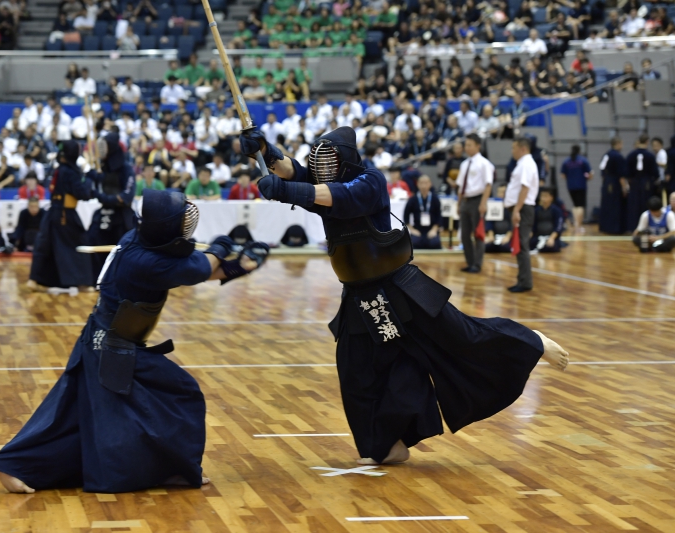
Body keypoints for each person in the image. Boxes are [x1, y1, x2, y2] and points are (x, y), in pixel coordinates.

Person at [238, 125, 569, 467]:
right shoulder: (327, 183)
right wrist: (266, 152)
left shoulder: (369, 181)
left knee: (462, 335)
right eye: (319, 164)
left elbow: (338, 196)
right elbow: (297, 175)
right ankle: (386, 443)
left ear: (346, 161)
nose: (321, 169)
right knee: (355, 370)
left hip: (399, 285)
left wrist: (284, 191)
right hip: (358, 295)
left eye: (329, 161)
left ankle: (531, 341)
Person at [0, 190, 270, 493]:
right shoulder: (144, 260)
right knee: (178, 394)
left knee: (79, 414)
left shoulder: (139, 238)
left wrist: (241, 266)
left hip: (111, 340)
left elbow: (193, 270)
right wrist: (222, 245)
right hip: (111, 345)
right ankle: (14, 464)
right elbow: (199, 268)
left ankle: (168, 468)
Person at [28, 141, 95, 291]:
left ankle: (36, 281)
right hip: (66, 214)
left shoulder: (60, 169)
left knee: (47, 245)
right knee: (80, 245)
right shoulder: (70, 172)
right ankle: (82, 283)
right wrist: (90, 177)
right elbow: (82, 193)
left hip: (54, 212)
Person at [87, 133, 136, 280]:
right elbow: (90, 188)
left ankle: (123, 280)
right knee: (92, 239)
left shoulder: (126, 169)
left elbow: (126, 197)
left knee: (124, 248)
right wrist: (90, 176)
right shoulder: (102, 169)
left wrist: (101, 196)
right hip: (103, 215)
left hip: (121, 216)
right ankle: (97, 279)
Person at [504, 137, 539, 293]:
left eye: (514, 148)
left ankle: (525, 282)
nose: (512, 151)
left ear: (523, 148)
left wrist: (517, 209)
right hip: (521, 208)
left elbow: (525, 189)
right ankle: (521, 279)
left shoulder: (526, 164)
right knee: (519, 244)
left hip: (523, 208)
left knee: (522, 245)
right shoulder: (524, 163)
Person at [457, 134, 494, 273]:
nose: (467, 148)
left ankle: (477, 264)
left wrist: (483, 203)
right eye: (465, 145)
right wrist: (458, 203)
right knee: (464, 234)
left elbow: (488, 185)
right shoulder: (464, 164)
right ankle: (470, 262)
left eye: (469, 145)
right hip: (465, 201)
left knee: (478, 234)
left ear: (478, 146)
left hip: (477, 200)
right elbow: (460, 186)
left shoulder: (484, 163)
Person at [625, 135, 659, 233]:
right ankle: (646, 227)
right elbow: (655, 173)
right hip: (647, 183)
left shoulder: (631, 155)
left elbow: (626, 172)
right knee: (646, 204)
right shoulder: (650, 155)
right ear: (647, 142)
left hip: (634, 183)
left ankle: (633, 227)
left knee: (634, 206)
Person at [560, 145, 592, 233]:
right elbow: (590, 173)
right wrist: (587, 177)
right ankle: (579, 225)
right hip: (581, 185)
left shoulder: (566, 161)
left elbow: (562, 174)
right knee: (580, 205)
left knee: (575, 205)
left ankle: (576, 223)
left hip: (570, 186)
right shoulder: (583, 160)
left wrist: (570, 178)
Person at [599, 137, 628, 234]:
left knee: (607, 205)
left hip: (607, 182)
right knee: (616, 206)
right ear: (618, 144)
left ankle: (605, 227)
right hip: (615, 183)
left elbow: (602, 171)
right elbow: (621, 176)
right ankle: (615, 228)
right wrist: (624, 187)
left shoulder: (606, 155)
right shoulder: (618, 156)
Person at [404, 175, 442, 249]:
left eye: (426, 183)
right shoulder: (413, 199)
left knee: (434, 243)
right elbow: (406, 216)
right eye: (421, 183)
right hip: (417, 229)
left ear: (430, 184)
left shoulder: (435, 199)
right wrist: (412, 230)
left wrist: (434, 230)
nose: (423, 186)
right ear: (417, 184)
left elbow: (439, 216)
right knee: (414, 243)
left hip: (431, 228)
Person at [531, 188, 564, 253]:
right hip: (538, 237)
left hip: (550, 237)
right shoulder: (536, 210)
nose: (543, 198)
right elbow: (533, 226)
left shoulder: (556, 210)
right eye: (542, 196)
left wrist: (551, 238)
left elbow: (558, 227)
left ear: (551, 197)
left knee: (551, 247)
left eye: (545, 196)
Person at [484, 185, 513, 253]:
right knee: (486, 247)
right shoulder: (494, 206)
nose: (501, 195)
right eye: (499, 192)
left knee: (506, 248)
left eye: (503, 192)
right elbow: (490, 222)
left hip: (507, 237)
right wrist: (491, 236)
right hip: (495, 237)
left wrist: (507, 237)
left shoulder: (511, 208)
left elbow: (512, 225)